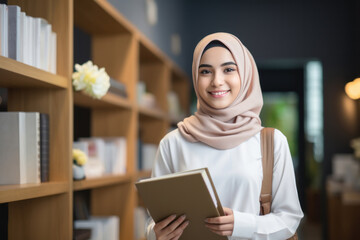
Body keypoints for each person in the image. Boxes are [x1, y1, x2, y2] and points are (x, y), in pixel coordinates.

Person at [145, 32, 303, 240]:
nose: (217, 81)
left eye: (228, 69)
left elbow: (289, 219)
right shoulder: (174, 142)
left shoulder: (271, 142)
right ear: (195, 77)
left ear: (245, 75)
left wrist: (242, 224)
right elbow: (154, 219)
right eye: (205, 72)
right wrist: (154, 234)